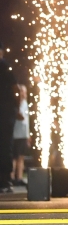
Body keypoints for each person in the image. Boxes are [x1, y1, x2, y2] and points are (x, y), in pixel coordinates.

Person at [0, 47, 17, 193]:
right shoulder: (5, 66)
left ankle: (5, 181)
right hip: (6, 113)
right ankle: (5, 181)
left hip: (6, 112)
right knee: (6, 147)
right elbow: (15, 88)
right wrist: (16, 108)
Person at [12, 84, 29, 187]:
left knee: (21, 157)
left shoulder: (25, 103)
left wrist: (28, 134)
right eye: (22, 92)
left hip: (23, 134)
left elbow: (27, 120)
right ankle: (11, 177)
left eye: (25, 92)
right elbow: (19, 117)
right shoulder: (15, 103)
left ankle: (19, 177)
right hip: (16, 134)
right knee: (14, 157)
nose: (23, 94)